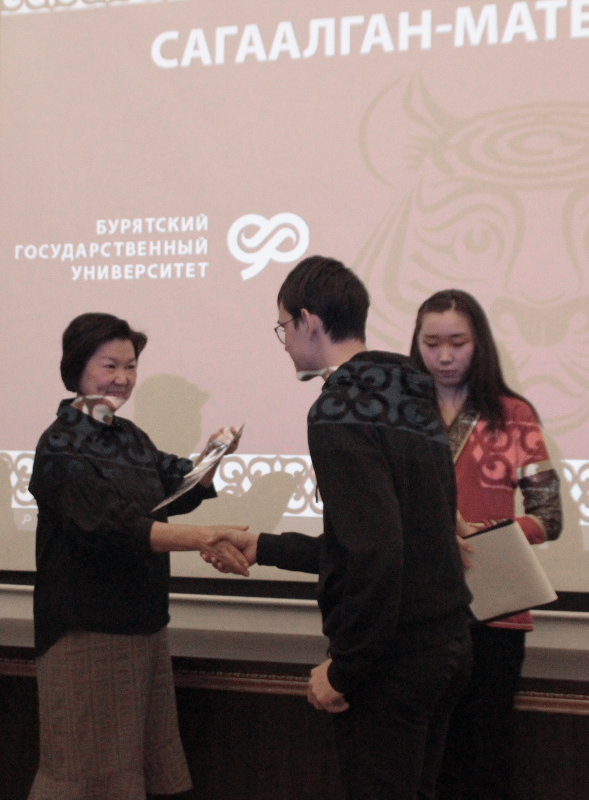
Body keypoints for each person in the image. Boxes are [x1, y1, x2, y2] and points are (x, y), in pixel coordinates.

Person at [208, 257, 473, 800]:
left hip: (392, 661)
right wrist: (265, 546)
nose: (284, 342)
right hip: (447, 645)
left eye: (283, 327)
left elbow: (376, 553)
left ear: (309, 321)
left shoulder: (338, 408)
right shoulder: (410, 390)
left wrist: (345, 670)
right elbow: (389, 539)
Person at [27, 312, 250, 800]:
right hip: (87, 630)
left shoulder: (128, 435)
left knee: (137, 773)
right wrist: (203, 538)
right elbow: (115, 529)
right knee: (84, 778)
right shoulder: (59, 445)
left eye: (130, 367)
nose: (123, 379)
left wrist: (214, 455)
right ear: (77, 368)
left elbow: (176, 488)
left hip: (144, 626)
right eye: (109, 366)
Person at [410, 289, 562, 800]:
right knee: (419, 759)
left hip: (495, 609)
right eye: (431, 343)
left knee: (483, 757)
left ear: (480, 343)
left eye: (458, 343)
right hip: (417, 609)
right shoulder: (400, 413)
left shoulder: (513, 414)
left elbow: (549, 518)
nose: (444, 356)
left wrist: (479, 534)